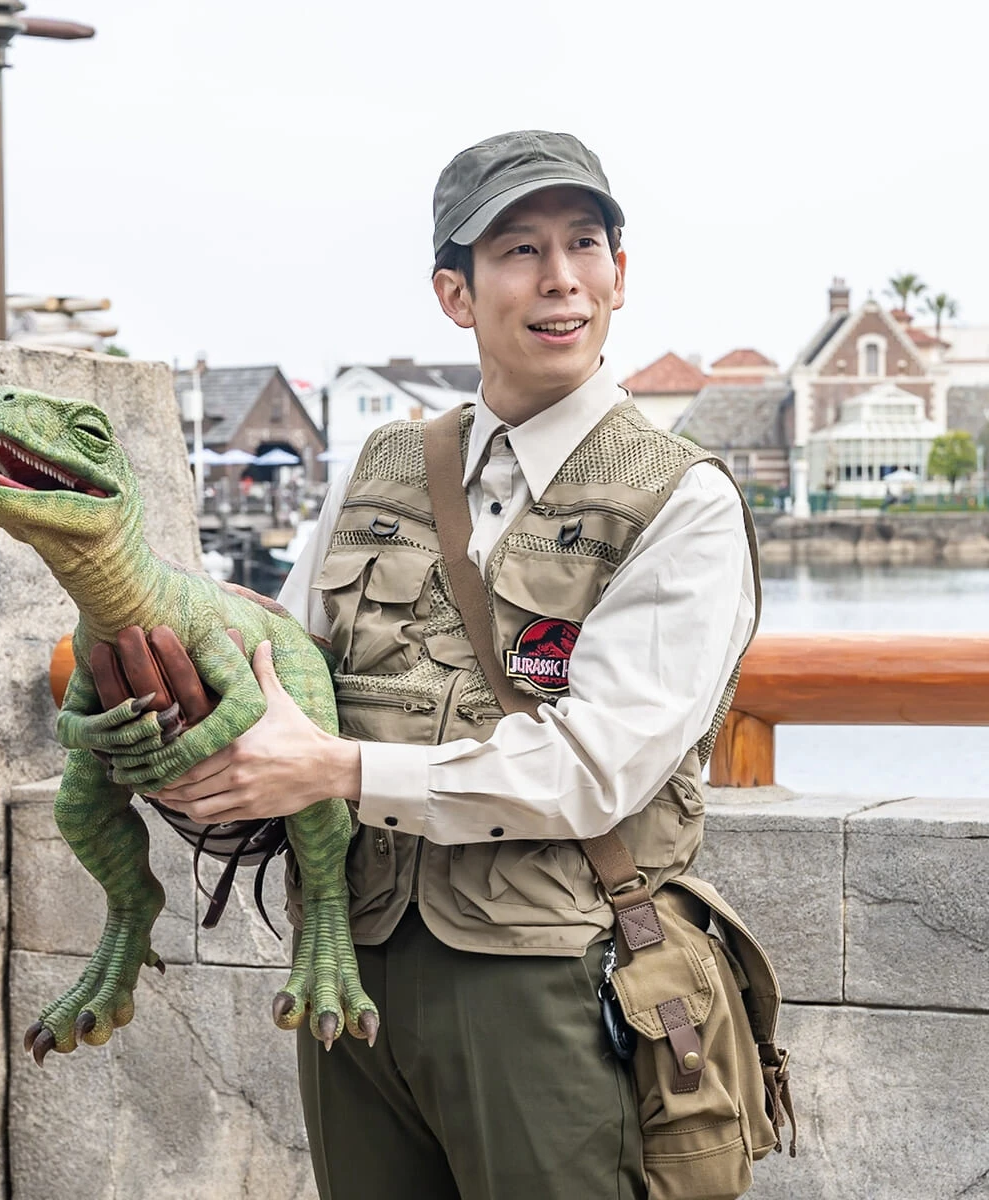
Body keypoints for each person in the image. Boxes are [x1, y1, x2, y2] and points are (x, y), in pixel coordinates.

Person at [152, 130, 759, 1200]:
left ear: (620, 273)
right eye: (520, 249)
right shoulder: (380, 467)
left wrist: (336, 771)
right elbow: (283, 679)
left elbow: (594, 767)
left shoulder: (681, 498)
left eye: (585, 243)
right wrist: (183, 741)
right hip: (350, 968)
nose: (560, 277)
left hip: (553, 977)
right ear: (455, 293)